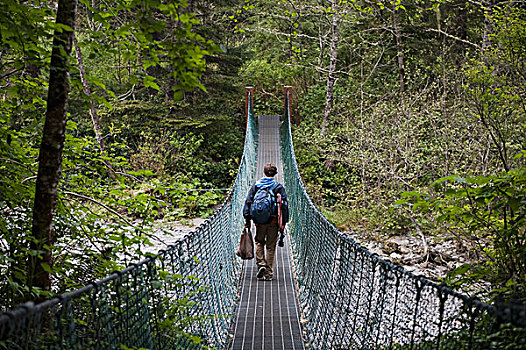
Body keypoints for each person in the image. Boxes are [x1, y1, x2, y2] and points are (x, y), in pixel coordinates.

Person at [243, 163, 289, 281]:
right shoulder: (278, 187)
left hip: (259, 221)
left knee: (259, 242)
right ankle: (268, 273)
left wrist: (247, 219)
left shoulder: (257, 185)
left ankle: (261, 264)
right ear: (275, 173)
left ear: (264, 172)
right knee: (270, 246)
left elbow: (248, 202)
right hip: (273, 221)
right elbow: (284, 205)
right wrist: (284, 222)